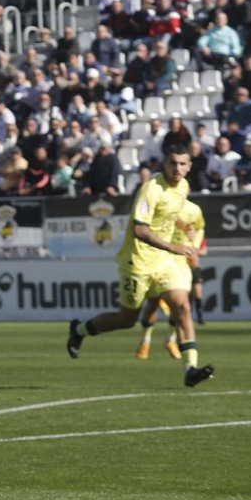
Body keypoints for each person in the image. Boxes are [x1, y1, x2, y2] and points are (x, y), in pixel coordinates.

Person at [66, 144, 213, 387]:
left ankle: (190, 369)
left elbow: (167, 212)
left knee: (182, 306)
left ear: (189, 166)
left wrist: (180, 228)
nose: (177, 168)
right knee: (126, 320)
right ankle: (79, 330)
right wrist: (173, 246)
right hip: (138, 262)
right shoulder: (151, 189)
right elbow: (139, 230)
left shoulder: (184, 187)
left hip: (164, 263)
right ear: (164, 164)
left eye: (182, 163)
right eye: (172, 163)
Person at [136, 200, 206, 360]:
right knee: (153, 303)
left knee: (180, 305)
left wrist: (193, 247)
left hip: (180, 263)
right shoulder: (161, 204)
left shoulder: (194, 209)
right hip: (158, 260)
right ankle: (145, 339)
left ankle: (171, 339)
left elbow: (199, 228)